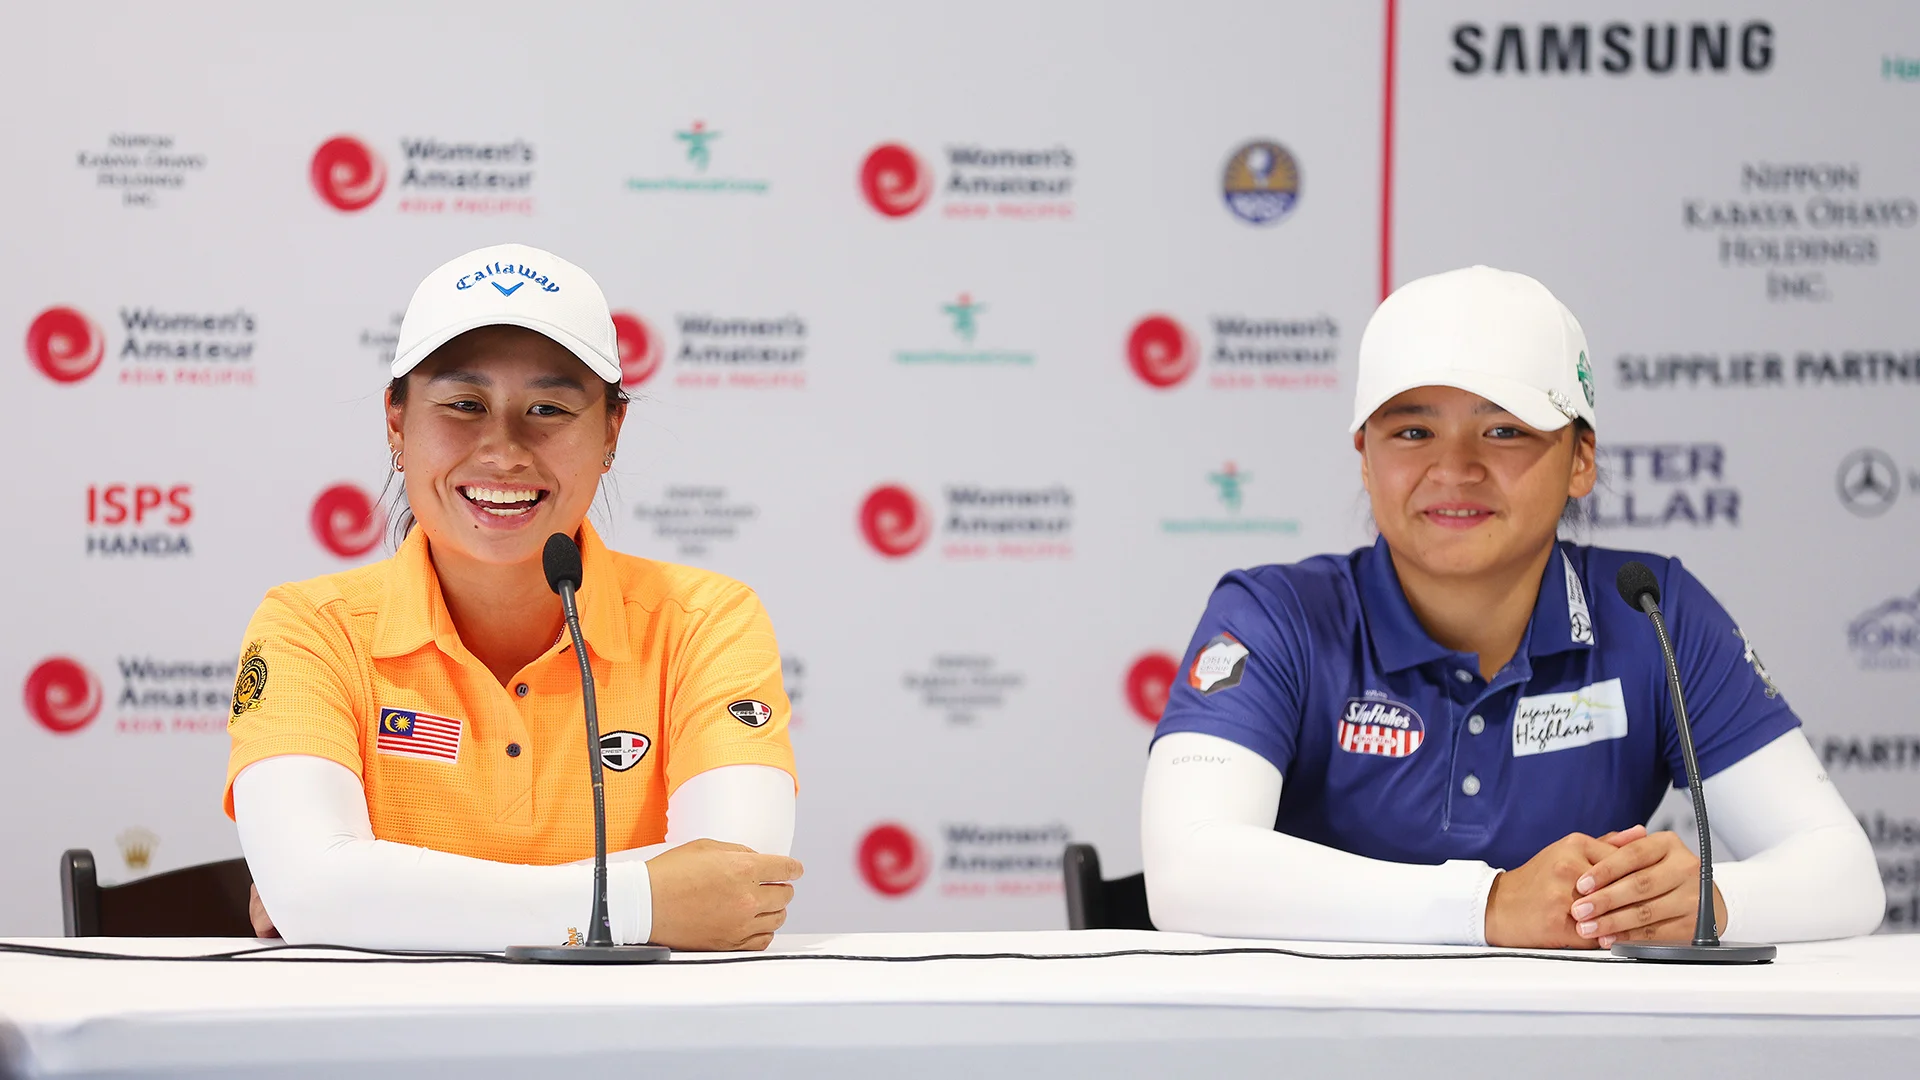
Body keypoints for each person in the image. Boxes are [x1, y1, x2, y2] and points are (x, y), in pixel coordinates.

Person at [1141, 266, 1883, 948]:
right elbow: (1187, 874)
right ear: (1365, 458)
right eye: (1412, 431)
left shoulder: (1652, 610)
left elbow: (1845, 875)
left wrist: (1705, 900)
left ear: (1581, 459)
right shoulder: (1278, 616)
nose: (1454, 468)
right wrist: (1489, 906)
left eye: (1504, 431)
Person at [227, 243, 801, 952]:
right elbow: (315, 894)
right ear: (397, 424)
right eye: (464, 405)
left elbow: (735, 887)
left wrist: (374, 894)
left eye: (548, 408)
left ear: (611, 431)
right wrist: (647, 899)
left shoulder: (704, 621)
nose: (503, 452)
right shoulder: (311, 628)